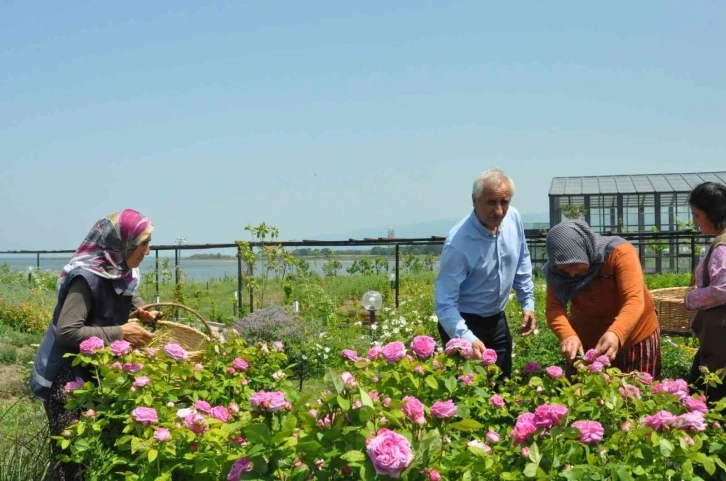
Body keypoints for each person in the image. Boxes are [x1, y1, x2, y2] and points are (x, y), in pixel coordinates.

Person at [30, 209, 161, 480]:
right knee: (73, 463)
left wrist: (142, 311)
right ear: (122, 245)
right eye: (143, 244)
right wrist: (120, 333)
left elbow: (123, 293)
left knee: (97, 459)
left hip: (95, 373)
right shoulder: (85, 278)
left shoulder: (119, 269)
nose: (147, 251)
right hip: (68, 382)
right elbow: (67, 332)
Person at [435, 168, 536, 379]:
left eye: (504, 202)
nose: (499, 211)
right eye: (491, 202)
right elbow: (445, 304)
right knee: (467, 394)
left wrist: (527, 302)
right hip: (463, 322)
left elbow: (521, 259)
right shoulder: (458, 243)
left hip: (497, 320)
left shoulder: (513, 219)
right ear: (474, 200)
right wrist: (467, 338)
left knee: (502, 385)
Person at [544, 220, 661, 377]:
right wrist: (568, 335)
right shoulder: (556, 271)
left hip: (635, 335)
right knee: (584, 395)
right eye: (564, 269)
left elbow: (634, 300)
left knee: (634, 394)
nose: (571, 274)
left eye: (574, 265)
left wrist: (616, 333)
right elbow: (554, 307)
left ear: (584, 250)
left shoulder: (619, 253)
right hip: (587, 337)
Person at [685, 182, 726, 402]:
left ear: (712, 214)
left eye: (697, 215)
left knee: (707, 396)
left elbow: (722, 289)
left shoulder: (722, 246)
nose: (694, 221)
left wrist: (691, 298)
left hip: (720, 338)